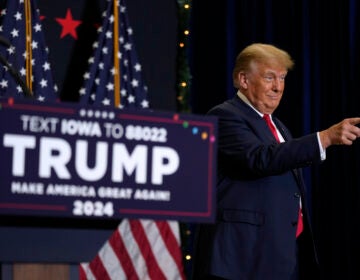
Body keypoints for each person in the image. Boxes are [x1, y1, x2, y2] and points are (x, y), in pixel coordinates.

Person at [191, 43, 360, 280]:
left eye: (282, 78)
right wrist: (324, 138)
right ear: (244, 79)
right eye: (269, 77)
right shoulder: (225, 115)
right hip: (240, 258)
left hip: (277, 254)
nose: (278, 87)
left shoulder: (278, 127)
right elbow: (259, 158)